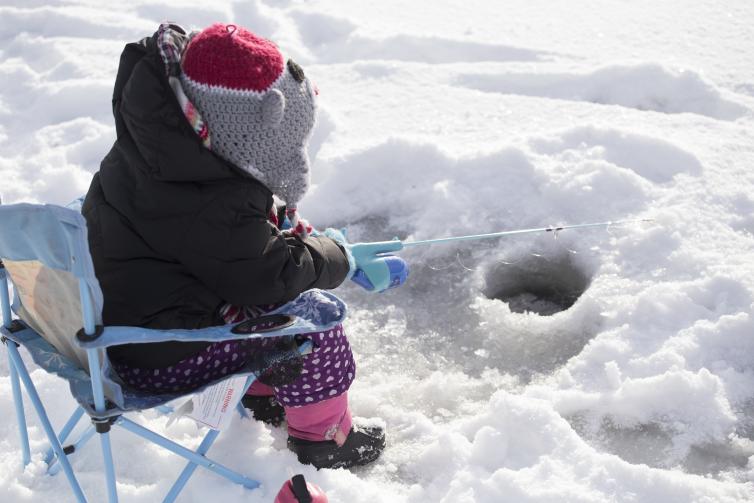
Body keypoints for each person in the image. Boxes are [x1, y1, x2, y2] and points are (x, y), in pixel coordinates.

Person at [81, 22, 408, 469]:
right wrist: (338, 259)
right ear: (249, 134)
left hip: (131, 321)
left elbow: (221, 248)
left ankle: (263, 399)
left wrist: (303, 239)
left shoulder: (158, 153)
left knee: (261, 306)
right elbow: (268, 277)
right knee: (314, 320)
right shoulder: (214, 199)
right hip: (161, 354)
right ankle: (325, 440)